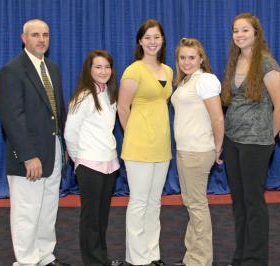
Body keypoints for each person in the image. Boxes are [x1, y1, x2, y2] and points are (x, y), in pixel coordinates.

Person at [0, 19, 69, 266]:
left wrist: (65, 146)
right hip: (29, 158)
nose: (41, 39)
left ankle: (45, 256)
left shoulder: (53, 68)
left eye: (45, 35)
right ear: (23, 38)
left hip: (54, 151)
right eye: (35, 35)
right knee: (26, 212)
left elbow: (58, 111)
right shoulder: (12, 70)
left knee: (48, 210)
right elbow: (12, 118)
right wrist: (28, 155)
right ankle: (27, 261)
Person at [221, 13, 280, 266]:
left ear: (256, 34)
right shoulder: (235, 61)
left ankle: (256, 259)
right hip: (232, 141)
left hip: (256, 145)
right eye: (236, 30)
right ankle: (241, 255)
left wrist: (266, 138)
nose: (239, 35)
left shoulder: (267, 64)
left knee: (253, 203)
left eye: (245, 30)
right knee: (239, 202)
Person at [117, 19, 172, 266]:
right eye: (147, 37)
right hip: (139, 145)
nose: (152, 42)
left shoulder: (169, 71)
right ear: (140, 41)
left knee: (154, 202)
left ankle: (152, 253)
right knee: (139, 201)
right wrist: (135, 134)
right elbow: (122, 107)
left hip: (162, 145)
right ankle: (138, 258)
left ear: (162, 40)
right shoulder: (133, 70)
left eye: (156, 37)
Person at [64, 50, 123, 266]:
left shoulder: (109, 94)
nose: (103, 71)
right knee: (90, 218)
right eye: (98, 67)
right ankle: (93, 261)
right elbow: (70, 132)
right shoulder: (84, 97)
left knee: (101, 216)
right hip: (89, 164)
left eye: (107, 67)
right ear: (89, 70)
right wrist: (79, 161)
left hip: (109, 163)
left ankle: (101, 257)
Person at [171, 38, 224, 266]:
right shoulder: (185, 81)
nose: (186, 62)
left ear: (201, 59)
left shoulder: (205, 80)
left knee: (197, 205)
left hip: (198, 151)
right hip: (185, 150)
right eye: (182, 57)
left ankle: (200, 260)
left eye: (191, 57)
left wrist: (218, 148)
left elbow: (218, 117)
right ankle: (192, 256)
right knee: (191, 203)